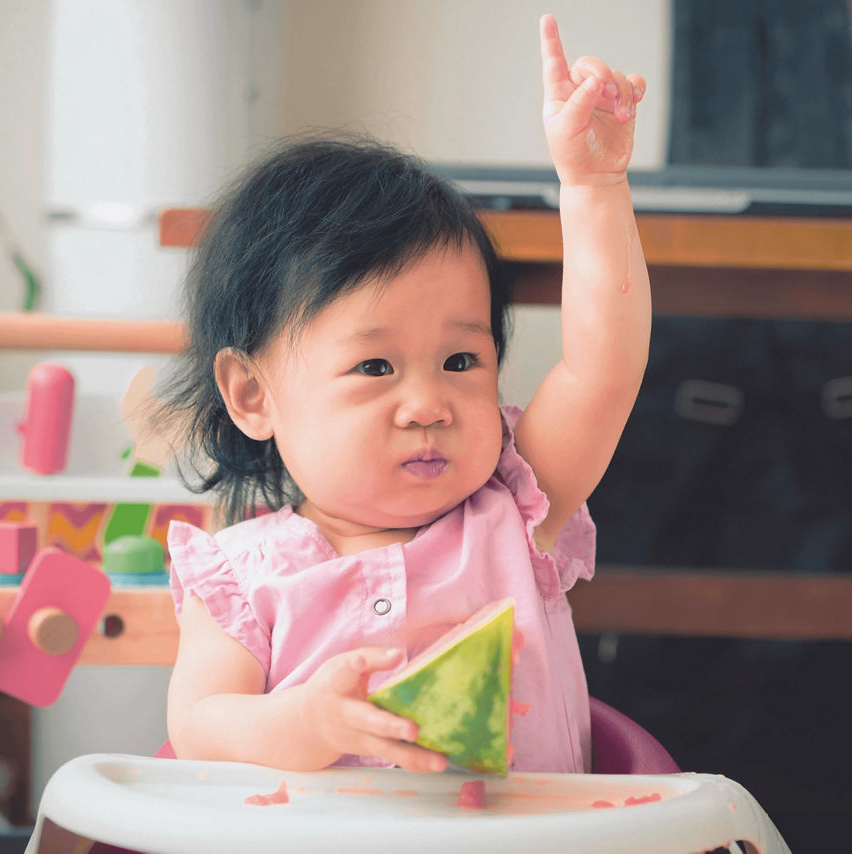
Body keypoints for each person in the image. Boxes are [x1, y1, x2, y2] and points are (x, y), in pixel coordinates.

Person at [160, 14, 649, 775]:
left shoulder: (518, 511)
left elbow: (603, 370)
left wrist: (593, 187)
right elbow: (198, 728)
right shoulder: (243, 578)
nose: (429, 404)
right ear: (253, 395)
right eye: (376, 368)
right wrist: (306, 726)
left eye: (460, 360)